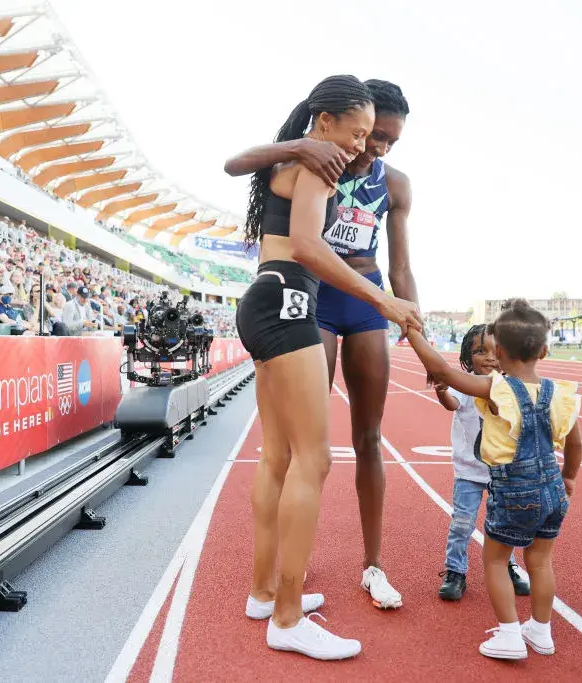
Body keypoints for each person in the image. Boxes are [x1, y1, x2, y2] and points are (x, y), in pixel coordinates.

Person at [232, 74, 422, 660]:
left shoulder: (296, 160)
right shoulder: (315, 166)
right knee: (313, 460)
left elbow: (242, 164)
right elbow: (313, 248)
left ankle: (265, 593)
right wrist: (383, 300)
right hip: (292, 306)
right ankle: (287, 620)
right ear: (326, 122)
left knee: (276, 457)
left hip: (266, 299)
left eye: (376, 137)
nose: (367, 146)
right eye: (361, 133)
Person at [405, 299, 582, 660]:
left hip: (514, 489)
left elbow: (442, 369)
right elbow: (576, 445)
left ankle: (509, 635)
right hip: (552, 488)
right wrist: (569, 479)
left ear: (498, 352)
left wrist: (412, 332)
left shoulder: (498, 390)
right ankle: (542, 631)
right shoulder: (561, 394)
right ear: (545, 350)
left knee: (496, 560)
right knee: (542, 562)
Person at [432, 325, 530, 600]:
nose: (489, 358)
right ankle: (455, 571)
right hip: (469, 471)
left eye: (495, 351)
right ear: (468, 357)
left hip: (503, 472)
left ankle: (508, 565)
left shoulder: (511, 386)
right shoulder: (466, 384)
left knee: (504, 524)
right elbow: (452, 404)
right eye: (480, 351)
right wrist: (442, 391)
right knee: (462, 522)